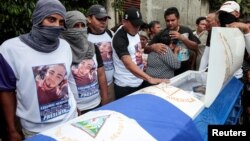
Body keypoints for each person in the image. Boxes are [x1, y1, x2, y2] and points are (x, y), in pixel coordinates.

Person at [0, 0, 77, 140]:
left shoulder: (65, 46)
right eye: (51, 19)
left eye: (61, 22)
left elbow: (69, 80)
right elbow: (6, 91)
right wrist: (11, 129)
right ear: (37, 18)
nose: (56, 26)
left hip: (70, 120)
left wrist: (77, 106)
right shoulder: (10, 49)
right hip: (36, 130)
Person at [112, 7, 168, 99]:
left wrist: (151, 47)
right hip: (126, 85)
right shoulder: (119, 38)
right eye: (134, 25)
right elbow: (128, 63)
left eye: (139, 25)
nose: (137, 28)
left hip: (138, 80)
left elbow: (137, 49)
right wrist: (149, 78)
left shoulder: (135, 31)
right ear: (124, 22)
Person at [61, 10, 109, 114]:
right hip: (76, 110)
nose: (80, 29)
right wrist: (73, 108)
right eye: (75, 26)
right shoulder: (61, 51)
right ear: (66, 28)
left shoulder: (92, 48)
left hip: (97, 104)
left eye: (83, 25)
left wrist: (105, 98)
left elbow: (101, 74)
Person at [148, 7, 200, 76]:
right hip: (168, 73)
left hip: (185, 69)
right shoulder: (161, 33)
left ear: (178, 19)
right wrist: (153, 47)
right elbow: (146, 48)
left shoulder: (186, 30)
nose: (170, 23)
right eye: (167, 21)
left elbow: (196, 47)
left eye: (173, 20)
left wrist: (182, 38)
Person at [86, 4, 115, 101]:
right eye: (99, 19)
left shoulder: (110, 34)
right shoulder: (84, 36)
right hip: (91, 90)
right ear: (89, 19)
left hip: (110, 85)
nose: (103, 22)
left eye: (105, 19)